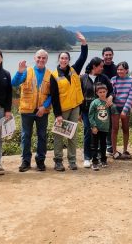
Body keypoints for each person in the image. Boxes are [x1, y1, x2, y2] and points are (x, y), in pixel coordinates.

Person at [12, 49, 60, 173]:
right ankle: (26, 161)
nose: (41, 60)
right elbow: (14, 83)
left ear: (46, 60)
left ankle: (40, 161)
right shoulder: (27, 71)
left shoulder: (50, 75)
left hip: (42, 111)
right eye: (39, 57)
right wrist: (19, 71)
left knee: (42, 136)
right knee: (25, 136)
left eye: (43, 58)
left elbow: (52, 94)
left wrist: (44, 107)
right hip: (27, 110)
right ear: (35, 58)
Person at [51, 32, 88, 171]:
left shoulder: (74, 70)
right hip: (62, 110)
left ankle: (72, 161)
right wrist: (58, 114)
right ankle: (58, 161)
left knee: (72, 134)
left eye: (66, 58)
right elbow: (54, 97)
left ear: (68, 59)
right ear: (59, 60)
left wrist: (84, 43)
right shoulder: (54, 76)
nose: (64, 60)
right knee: (59, 135)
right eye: (62, 58)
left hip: (74, 107)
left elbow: (83, 57)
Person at [110, 61, 132, 159]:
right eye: (118, 69)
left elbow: (131, 96)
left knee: (125, 128)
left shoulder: (131, 80)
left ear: (126, 70)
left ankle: (125, 150)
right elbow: (111, 93)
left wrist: (125, 110)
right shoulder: (113, 79)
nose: (119, 71)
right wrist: (113, 106)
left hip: (126, 106)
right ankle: (114, 151)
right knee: (114, 128)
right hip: (115, 106)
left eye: (122, 69)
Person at [89, 83, 116, 170]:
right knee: (94, 145)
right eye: (100, 92)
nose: (102, 93)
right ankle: (94, 161)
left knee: (103, 145)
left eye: (104, 92)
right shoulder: (94, 103)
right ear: (97, 93)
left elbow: (114, 111)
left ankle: (103, 160)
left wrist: (111, 104)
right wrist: (93, 126)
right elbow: (90, 115)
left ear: (107, 92)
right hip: (96, 128)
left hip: (105, 127)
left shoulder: (108, 102)